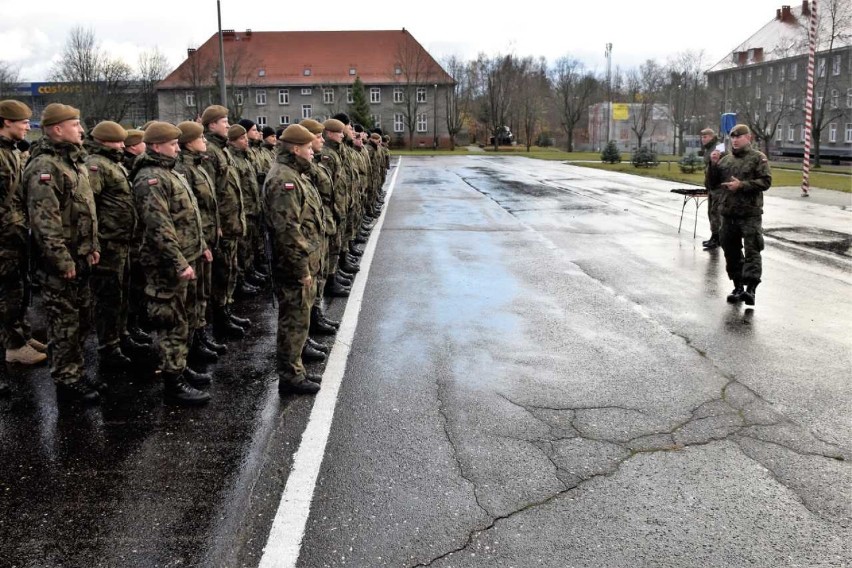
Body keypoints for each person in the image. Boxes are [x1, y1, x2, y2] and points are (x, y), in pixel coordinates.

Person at [24, 103, 100, 403]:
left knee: (80, 319)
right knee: (64, 323)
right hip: (60, 262)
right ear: (57, 129)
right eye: (75, 124)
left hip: (80, 255)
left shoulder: (72, 162)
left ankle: (76, 372)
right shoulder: (46, 167)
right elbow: (45, 223)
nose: (81, 129)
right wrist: (62, 260)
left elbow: (84, 210)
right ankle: (66, 381)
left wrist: (92, 247)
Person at [133, 121, 211, 405]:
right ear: (155, 146)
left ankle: (180, 365)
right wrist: (179, 262)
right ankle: (172, 382)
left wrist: (200, 247)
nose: (177, 147)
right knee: (171, 321)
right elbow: (159, 227)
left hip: (185, 256)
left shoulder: (169, 172)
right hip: (166, 264)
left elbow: (188, 217)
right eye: (172, 143)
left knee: (185, 317)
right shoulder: (150, 179)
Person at [262, 124, 327, 395]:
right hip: (292, 265)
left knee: (300, 320)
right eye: (310, 148)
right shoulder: (284, 180)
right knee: (293, 321)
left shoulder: (294, 174)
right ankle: (290, 376)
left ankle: (296, 368)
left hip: (302, 261)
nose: (313, 153)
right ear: (297, 149)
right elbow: (288, 231)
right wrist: (301, 267)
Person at [86, 120, 151, 371]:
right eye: (117, 141)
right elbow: (89, 206)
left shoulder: (112, 163)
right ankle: (108, 346)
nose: (122, 145)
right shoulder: (96, 166)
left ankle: (122, 335)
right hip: (108, 242)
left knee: (121, 294)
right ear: (104, 141)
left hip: (122, 241)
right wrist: (96, 241)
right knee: (108, 298)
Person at [0, 100, 47, 396]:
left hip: (14, 234)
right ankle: (13, 346)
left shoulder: (12, 152)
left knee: (17, 290)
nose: (27, 126)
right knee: (6, 293)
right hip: (4, 236)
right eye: (22, 121)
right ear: (5, 121)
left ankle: (20, 339)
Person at [175, 120, 227, 362]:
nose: (204, 141)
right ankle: (194, 343)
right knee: (193, 295)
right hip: (190, 241)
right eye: (200, 138)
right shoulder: (183, 169)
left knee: (202, 292)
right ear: (188, 142)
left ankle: (201, 335)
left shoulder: (197, 166)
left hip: (203, 237)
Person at [200, 105, 249, 340]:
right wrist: (216, 223)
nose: (228, 125)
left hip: (232, 221)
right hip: (222, 224)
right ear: (211, 125)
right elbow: (209, 193)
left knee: (229, 269)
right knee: (221, 273)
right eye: (223, 121)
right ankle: (220, 319)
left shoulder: (222, 149)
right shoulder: (209, 151)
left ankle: (226, 310)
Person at [709, 124, 771, 306]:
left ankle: (751, 289)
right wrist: (712, 165)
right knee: (731, 251)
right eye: (733, 137)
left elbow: (766, 181)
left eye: (739, 137)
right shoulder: (725, 160)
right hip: (728, 213)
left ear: (748, 138)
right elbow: (712, 184)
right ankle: (738, 287)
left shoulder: (758, 158)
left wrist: (742, 185)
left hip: (749, 214)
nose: (735, 140)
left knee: (753, 250)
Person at [700, 128, 723, 250]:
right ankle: (714, 237)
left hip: (718, 187)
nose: (703, 139)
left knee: (715, 213)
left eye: (705, 137)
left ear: (711, 137)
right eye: (702, 137)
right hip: (711, 186)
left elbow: (723, 165)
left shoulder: (718, 147)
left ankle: (717, 238)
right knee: (711, 212)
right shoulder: (709, 149)